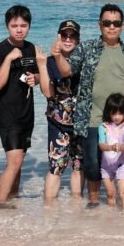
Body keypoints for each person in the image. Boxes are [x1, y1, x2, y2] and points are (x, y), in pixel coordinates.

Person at [55, 4, 124, 206]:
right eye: (106, 23)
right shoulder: (87, 48)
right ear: (99, 25)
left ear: (122, 26)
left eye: (116, 23)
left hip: (123, 119)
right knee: (93, 166)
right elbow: (66, 71)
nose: (111, 27)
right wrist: (58, 56)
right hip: (92, 117)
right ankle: (94, 205)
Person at [0, 5, 39, 208]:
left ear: (29, 26)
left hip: (26, 113)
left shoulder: (31, 48)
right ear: (7, 26)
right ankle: (0, 206)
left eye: (23, 25)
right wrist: (9, 59)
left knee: (19, 163)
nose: (19, 29)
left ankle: (13, 204)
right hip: (7, 115)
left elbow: (36, 74)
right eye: (14, 25)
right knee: (14, 162)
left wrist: (35, 78)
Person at [37, 19, 84, 201]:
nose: (68, 39)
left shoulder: (82, 61)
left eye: (72, 36)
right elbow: (48, 93)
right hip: (58, 124)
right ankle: (48, 210)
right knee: (56, 167)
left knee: (79, 166)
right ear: (59, 36)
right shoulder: (49, 62)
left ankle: (76, 209)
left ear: (78, 40)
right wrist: (41, 66)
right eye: (64, 35)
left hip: (80, 123)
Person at [98, 93, 124, 210]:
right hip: (106, 166)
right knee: (110, 193)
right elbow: (102, 145)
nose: (117, 117)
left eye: (120, 113)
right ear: (108, 112)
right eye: (114, 113)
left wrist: (120, 148)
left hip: (121, 165)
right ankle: (112, 220)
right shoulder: (103, 127)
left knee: (123, 192)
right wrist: (111, 148)